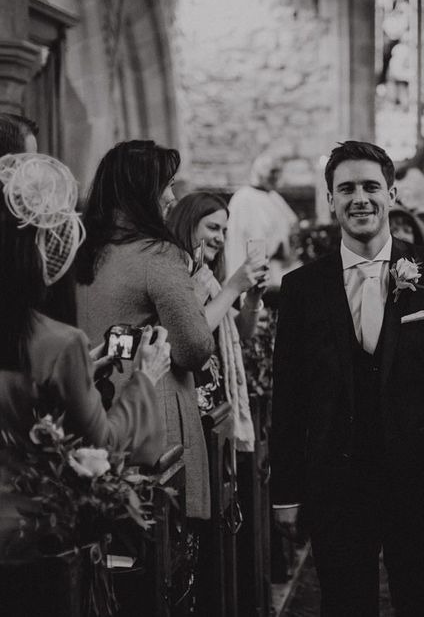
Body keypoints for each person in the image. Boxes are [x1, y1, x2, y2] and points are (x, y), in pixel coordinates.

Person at [271, 140, 424, 616]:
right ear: (330, 200)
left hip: (418, 479)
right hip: (336, 483)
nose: (359, 198)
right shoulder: (302, 287)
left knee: (421, 600)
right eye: (346, 189)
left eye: (370, 187)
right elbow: (289, 398)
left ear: (391, 194)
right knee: (344, 605)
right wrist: (286, 491)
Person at [0, 151, 170, 556]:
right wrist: (145, 378)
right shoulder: (59, 342)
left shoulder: (57, 348)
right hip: (28, 533)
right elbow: (104, 445)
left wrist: (83, 371)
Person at [75, 140, 215, 523]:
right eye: (165, 186)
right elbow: (194, 349)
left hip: (93, 410)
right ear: (140, 192)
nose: (171, 198)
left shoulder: (85, 249)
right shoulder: (157, 255)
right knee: (169, 554)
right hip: (152, 414)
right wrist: (197, 297)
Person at [166, 192, 268, 444]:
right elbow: (191, 331)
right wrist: (233, 286)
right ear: (188, 224)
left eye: (224, 231)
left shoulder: (205, 275)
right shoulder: (174, 271)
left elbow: (241, 330)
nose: (220, 238)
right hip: (192, 399)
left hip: (215, 401)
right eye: (213, 228)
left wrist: (253, 298)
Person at [225, 154, 298, 289]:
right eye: (272, 172)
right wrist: (276, 247)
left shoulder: (273, 196)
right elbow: (254, 239)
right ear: (260, 172)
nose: (275, 177)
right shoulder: (244, 198)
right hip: (255, 266)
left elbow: (292, 222)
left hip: (277, 267)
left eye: (278, 172)